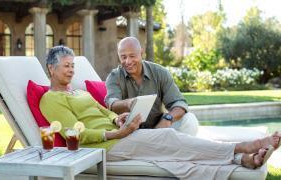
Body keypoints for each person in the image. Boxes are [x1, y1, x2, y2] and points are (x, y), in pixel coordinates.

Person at [40, 46, 280, 180]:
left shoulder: (79, 93)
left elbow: (105, 110)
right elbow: (75, 134)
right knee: (170, 139)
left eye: (73, 65)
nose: (71, 70)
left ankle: (242, 162)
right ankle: (245, 147)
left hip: (123, 135)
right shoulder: (51, 99)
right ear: (51, 68)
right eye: (66, 66)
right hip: (106, 148)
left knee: (174, 160)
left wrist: (118, 119)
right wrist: (116, 133)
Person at [105, 37, 198, 136]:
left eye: (132, 56)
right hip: (130, 132)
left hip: (159, 128)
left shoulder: (160, 73)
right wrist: (128, 103)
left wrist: (168, 119)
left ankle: (180, 150)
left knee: (190, 119)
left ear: (141, 53)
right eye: (123, 57)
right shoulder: (114, 76)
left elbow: (178, 103)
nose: (128, 61)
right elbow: (112, 103)